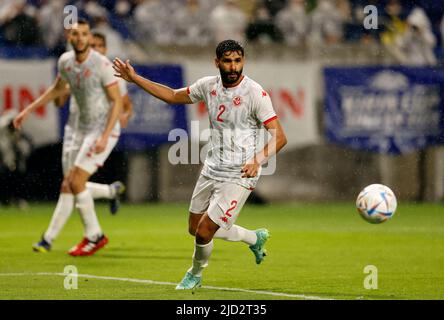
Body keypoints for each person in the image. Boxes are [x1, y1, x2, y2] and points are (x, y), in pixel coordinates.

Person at [113, 39, 287, 290]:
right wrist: (135, 78)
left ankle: (194, 274)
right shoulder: (208, 86)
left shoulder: (255, 93)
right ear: (217, 62)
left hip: (240, 173)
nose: (233, 66)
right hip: (212, 167)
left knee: (205, 231)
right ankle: (254, 238)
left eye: (237, 61)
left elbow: (279, 136)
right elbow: (173, 96)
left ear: (243, 61)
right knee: (195, 229)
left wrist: (257, 160)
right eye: (227, 61)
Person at [14, 18, 123, 256]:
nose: (81, 38)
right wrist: (27, 111)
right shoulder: (65, 61)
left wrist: (105, 136)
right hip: (79, 130)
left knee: (74, 182)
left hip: (101, 129)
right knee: (71, 184)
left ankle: (93, 236)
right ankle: (108, 195)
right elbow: (56, 91)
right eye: (76, 34)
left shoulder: (102, 64)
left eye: (85, 34)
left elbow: (118, 101)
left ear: (88, 37)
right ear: (69, 37)